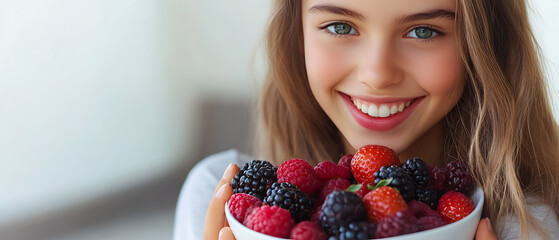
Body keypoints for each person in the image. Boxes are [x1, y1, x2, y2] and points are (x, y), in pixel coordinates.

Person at [175, 0, 559, 239]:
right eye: (340, 26)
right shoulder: (216, 198)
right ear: (296, 37)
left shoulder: (526, 226)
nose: (377, 73)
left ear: (486, 45)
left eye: (423, 31)